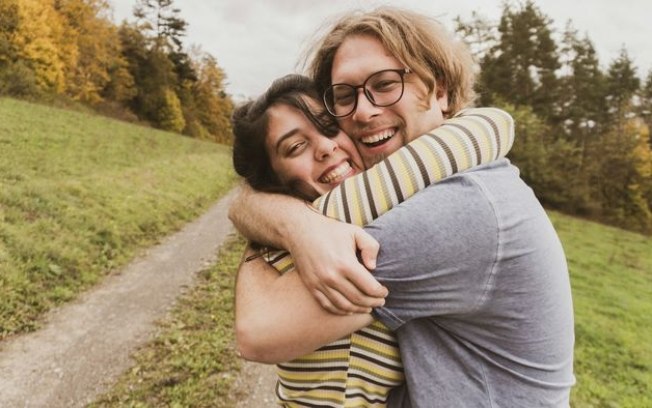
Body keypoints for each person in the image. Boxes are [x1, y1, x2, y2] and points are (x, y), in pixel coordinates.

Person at [233, 6, 575, 407]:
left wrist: (285, 223)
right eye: (345, 96)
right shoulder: (424, 187)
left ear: (441, 91)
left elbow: (260, 329)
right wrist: (288, 221)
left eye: (385, 83)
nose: (363, 110)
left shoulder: (457, 211)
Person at [232, 74, 515, 406]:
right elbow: (492, 127)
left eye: (328, 126)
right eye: (295, 147)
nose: (325, 147)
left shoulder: (290, 230)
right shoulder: (351, 217)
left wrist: (262, 216)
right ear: (274, 179)